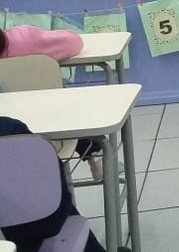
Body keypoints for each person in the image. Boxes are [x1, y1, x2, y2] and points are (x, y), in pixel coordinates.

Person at [0, 26, 105, 181]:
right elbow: (74, 42)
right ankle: (95, 154)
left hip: (10, 145)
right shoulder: (25, 40)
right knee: (66, 105)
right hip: (51, 130)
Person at [0, 116, 108, 252]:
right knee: (46, 213)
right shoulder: (10, 130)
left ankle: (94, 154)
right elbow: (52, 218)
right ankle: (95, 154)